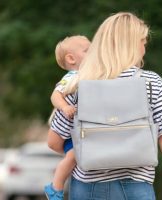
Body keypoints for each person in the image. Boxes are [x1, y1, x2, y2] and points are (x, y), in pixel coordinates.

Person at [48, 12, 162, 200]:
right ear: (132, 44)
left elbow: (54, 142)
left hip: (88, 187)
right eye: (143, 42)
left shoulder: (78, 83)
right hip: (136, 186)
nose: (144, 48)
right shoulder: (150, 82)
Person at [44, 35, 91, 200]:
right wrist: (65, 107)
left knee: (76, 156)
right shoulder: (72, 76)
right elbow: (55, 96)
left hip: (76, 131)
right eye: (87, 51)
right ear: (71, 59)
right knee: (73, 156)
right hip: (64, 129)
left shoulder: (89, 75)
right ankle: (54, 187)